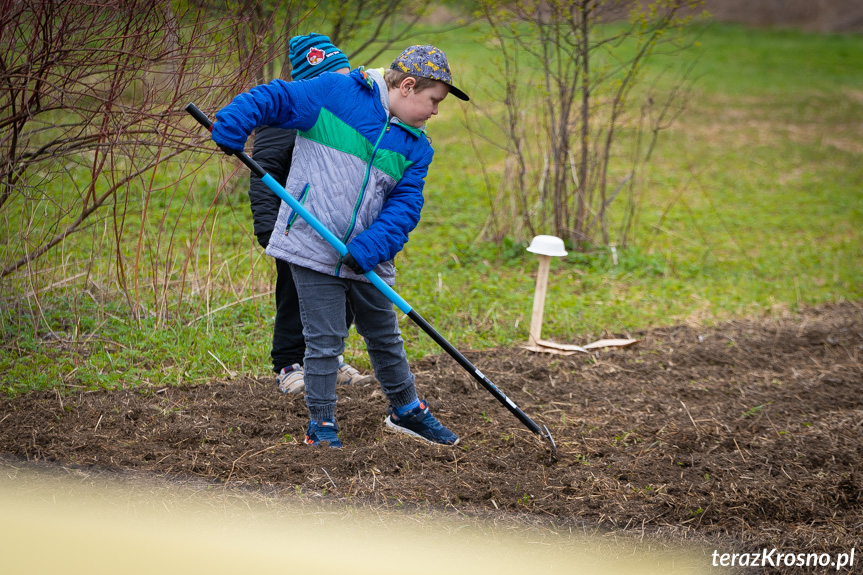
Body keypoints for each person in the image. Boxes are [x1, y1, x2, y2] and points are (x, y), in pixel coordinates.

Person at [212, 44, 469, 448]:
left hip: (367, 257)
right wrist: (235, 121)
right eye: (433, 100)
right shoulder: (335, 94)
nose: (436, 111)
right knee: (324, 339)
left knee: (385, 335)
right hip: (313, 246)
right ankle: (322, 425)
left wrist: (372, 245)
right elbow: (276, 97)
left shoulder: (417, 147)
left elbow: (405, 208)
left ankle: (406, 410)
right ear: (406, 86)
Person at [247, 33, 372, 394]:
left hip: (339, 225)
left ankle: (328, 358)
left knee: (343, 292)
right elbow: (264, 171)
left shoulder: (348, 119)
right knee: (295, 295)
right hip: (295, 227)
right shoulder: (285, 117)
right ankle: (288, 363)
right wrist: (268, 226)